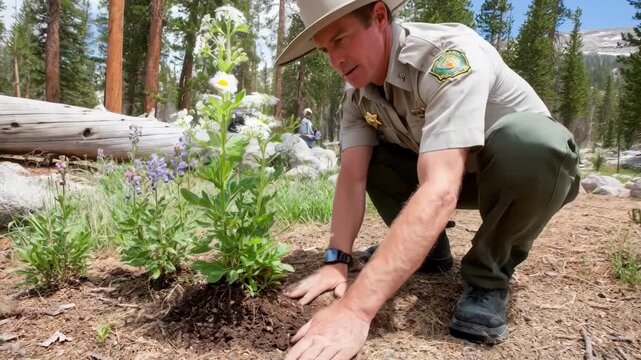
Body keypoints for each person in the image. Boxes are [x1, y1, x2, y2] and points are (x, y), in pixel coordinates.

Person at [275, 0, 580, 359]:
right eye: (326, 49)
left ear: (379, 16)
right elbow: (353, 176)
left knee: (531, 143)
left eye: (341, 39)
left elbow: (440, 189)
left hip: (524, 174)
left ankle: (489, 275)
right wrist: (335, 261)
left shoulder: (449, 58)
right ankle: (429, 254)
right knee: (372, 155)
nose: (335, 60)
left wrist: (355, 309)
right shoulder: (356, 93)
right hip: (443, 172)